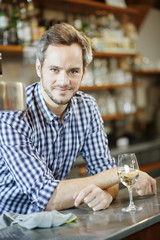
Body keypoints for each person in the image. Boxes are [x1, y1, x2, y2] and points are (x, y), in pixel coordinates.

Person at [0, 23, 156, 214]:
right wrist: (119, 173)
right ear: (39, 68)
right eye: (54, 70)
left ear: (84, 72)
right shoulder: (13, 114)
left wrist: (107, 195)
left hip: (55, 221)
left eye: (73, 71)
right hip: (10, 224)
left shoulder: (87, 107)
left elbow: (103, 170)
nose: (64, 81)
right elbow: (47, 197)